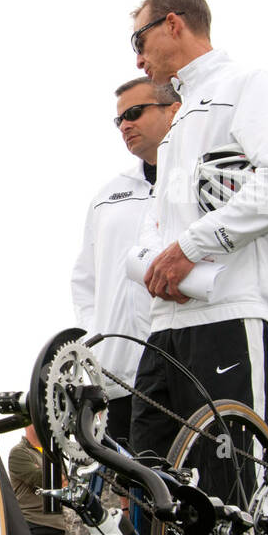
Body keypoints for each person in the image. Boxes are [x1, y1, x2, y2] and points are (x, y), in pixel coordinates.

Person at [129, 0, 268, 460]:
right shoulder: (179, 118)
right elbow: (159, 222)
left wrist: (191, 247)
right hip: (164, 327)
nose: (138, 61)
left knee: (236, 490)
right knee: (150, 488)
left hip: (229, 315)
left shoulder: (247, 84)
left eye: (138, 43)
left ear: (173, 24)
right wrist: (151, 257)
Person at [71, 76, 179, 452]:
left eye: (134, 113)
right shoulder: (107, 196)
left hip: (180, 364)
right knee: (130, 489)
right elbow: (85, 280)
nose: (125, 125)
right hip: (119, 372)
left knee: (187, 484)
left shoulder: (193, 181)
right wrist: (96, 337)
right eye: (119, 120)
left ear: (173, 111)